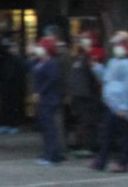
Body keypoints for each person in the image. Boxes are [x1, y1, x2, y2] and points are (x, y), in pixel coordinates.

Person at [92, 32, 128, 173]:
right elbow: (107, 79)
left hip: (123, 105)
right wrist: (97, 68)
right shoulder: (113, 62)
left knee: (125, 135)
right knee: (106, 133)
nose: (116, 47)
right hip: (111, 103)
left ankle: (123, 162)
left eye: (119, 44)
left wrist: (124, 106)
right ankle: (101, 160)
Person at [29, 36, 66, 165]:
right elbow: (27, 66)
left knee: (50, 128)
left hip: (49, 99)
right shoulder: (39, 62)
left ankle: (52, 154)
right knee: (45, 127)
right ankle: (48, 152)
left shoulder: (52, 63)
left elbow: (52, 80)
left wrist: (39, 92)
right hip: (43, 99)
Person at [65, 35, 104, 154]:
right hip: (78, 94)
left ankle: (89, 146)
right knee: (81, 121)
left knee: (89, 121)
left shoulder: (92, 54)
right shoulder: (78, 57)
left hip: (89, 94)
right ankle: (82, 143)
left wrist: (89, 51)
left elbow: (96, 69)